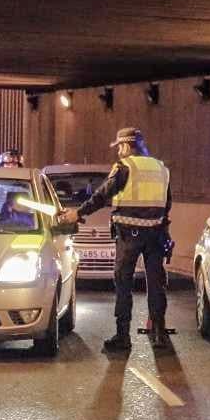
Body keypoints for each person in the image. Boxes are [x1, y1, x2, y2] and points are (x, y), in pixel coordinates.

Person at [60, 127, 172, 351]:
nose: (118, 151)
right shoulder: (161, 168)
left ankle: (123, 336)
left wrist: (77, 213)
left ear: (127, 146)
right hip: (156, 234)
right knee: (156, 284)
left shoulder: (124, 167)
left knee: (123, 283)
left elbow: (102, 196)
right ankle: (159, 334)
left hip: (129, 235)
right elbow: (167, 203)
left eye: (119, 146)